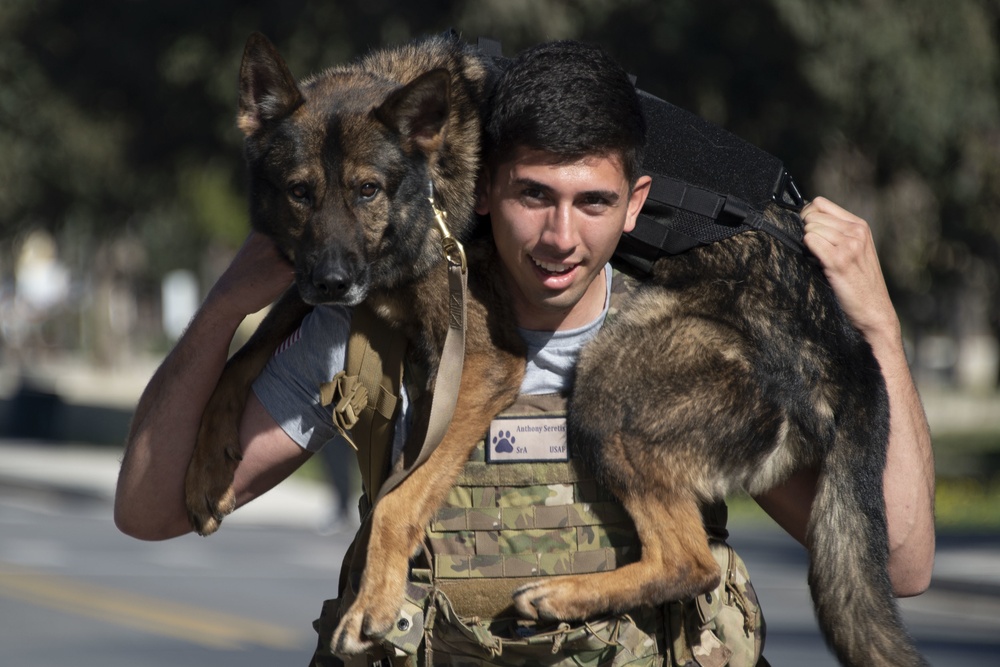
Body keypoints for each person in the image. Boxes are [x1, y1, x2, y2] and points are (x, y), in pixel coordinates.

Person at [115, 39, 935, 666]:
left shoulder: (693, 355)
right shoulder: (366, 334)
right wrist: (227, 305)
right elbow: (149, 512)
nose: (560, 238)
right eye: (533, 196)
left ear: (636, 204)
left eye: (593, 203)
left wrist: (881, 333)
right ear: (481, 189)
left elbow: (896, 562)